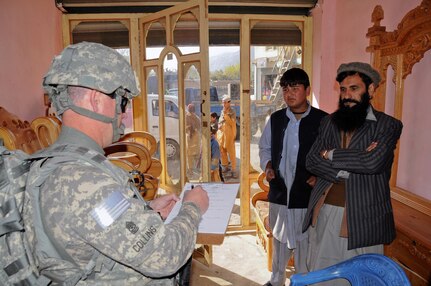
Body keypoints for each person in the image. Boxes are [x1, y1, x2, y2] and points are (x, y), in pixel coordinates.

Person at [31, 41, 209, 285]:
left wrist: (147, 210)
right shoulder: (84, 180)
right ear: (95, 100)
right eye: (122, 102)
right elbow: (165, 256)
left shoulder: (61, 163)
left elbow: (96, 222)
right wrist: (193, 207)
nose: (125, 114)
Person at [303, 62, 403, 285]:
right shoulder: (329, 122)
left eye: (354, 88)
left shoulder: (387, 125)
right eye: (343, 89)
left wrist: (330, 154)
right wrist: (347, 169)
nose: (347, 95)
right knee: (323, 276)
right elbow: (311, 160)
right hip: (326, 211)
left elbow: (373, 163)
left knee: (365, 277)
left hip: (365, 217)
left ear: (370, 90)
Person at [259, 68, 327, 286]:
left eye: (295, 88)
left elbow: (332, 154)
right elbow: (265, 148)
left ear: (307, 90)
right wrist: (268, 166)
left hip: (305, 195)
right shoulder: (277, 119)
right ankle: (276, 280)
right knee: (279, 240)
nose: (289, 93)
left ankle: (302, 282)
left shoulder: (322, 120)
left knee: (304, 243)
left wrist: (320, 176)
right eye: (285, 88)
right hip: (280, 193)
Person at [217, 94, 237, 178]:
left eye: (225, 102)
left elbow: (232, 123)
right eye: (223, 103)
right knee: (222, 151)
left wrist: (226, 115)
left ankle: (233, 169)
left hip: (229, 135)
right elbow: (220, 120)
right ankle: (225, 166)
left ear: (229, 103)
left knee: (231, 152)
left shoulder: (232, 112)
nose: (223, 104)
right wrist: (219, 125)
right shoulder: (222, 111)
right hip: (222, 135)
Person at [185, 103, 201, 178]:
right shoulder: (196, 117)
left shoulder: (186, 116)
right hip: (194, 137)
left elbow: (185, 127)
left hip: (191, 138)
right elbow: (199, 126)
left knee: (190, 155)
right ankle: (195, 169)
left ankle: (191, 169)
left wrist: (190, 130)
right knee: (195, 154)